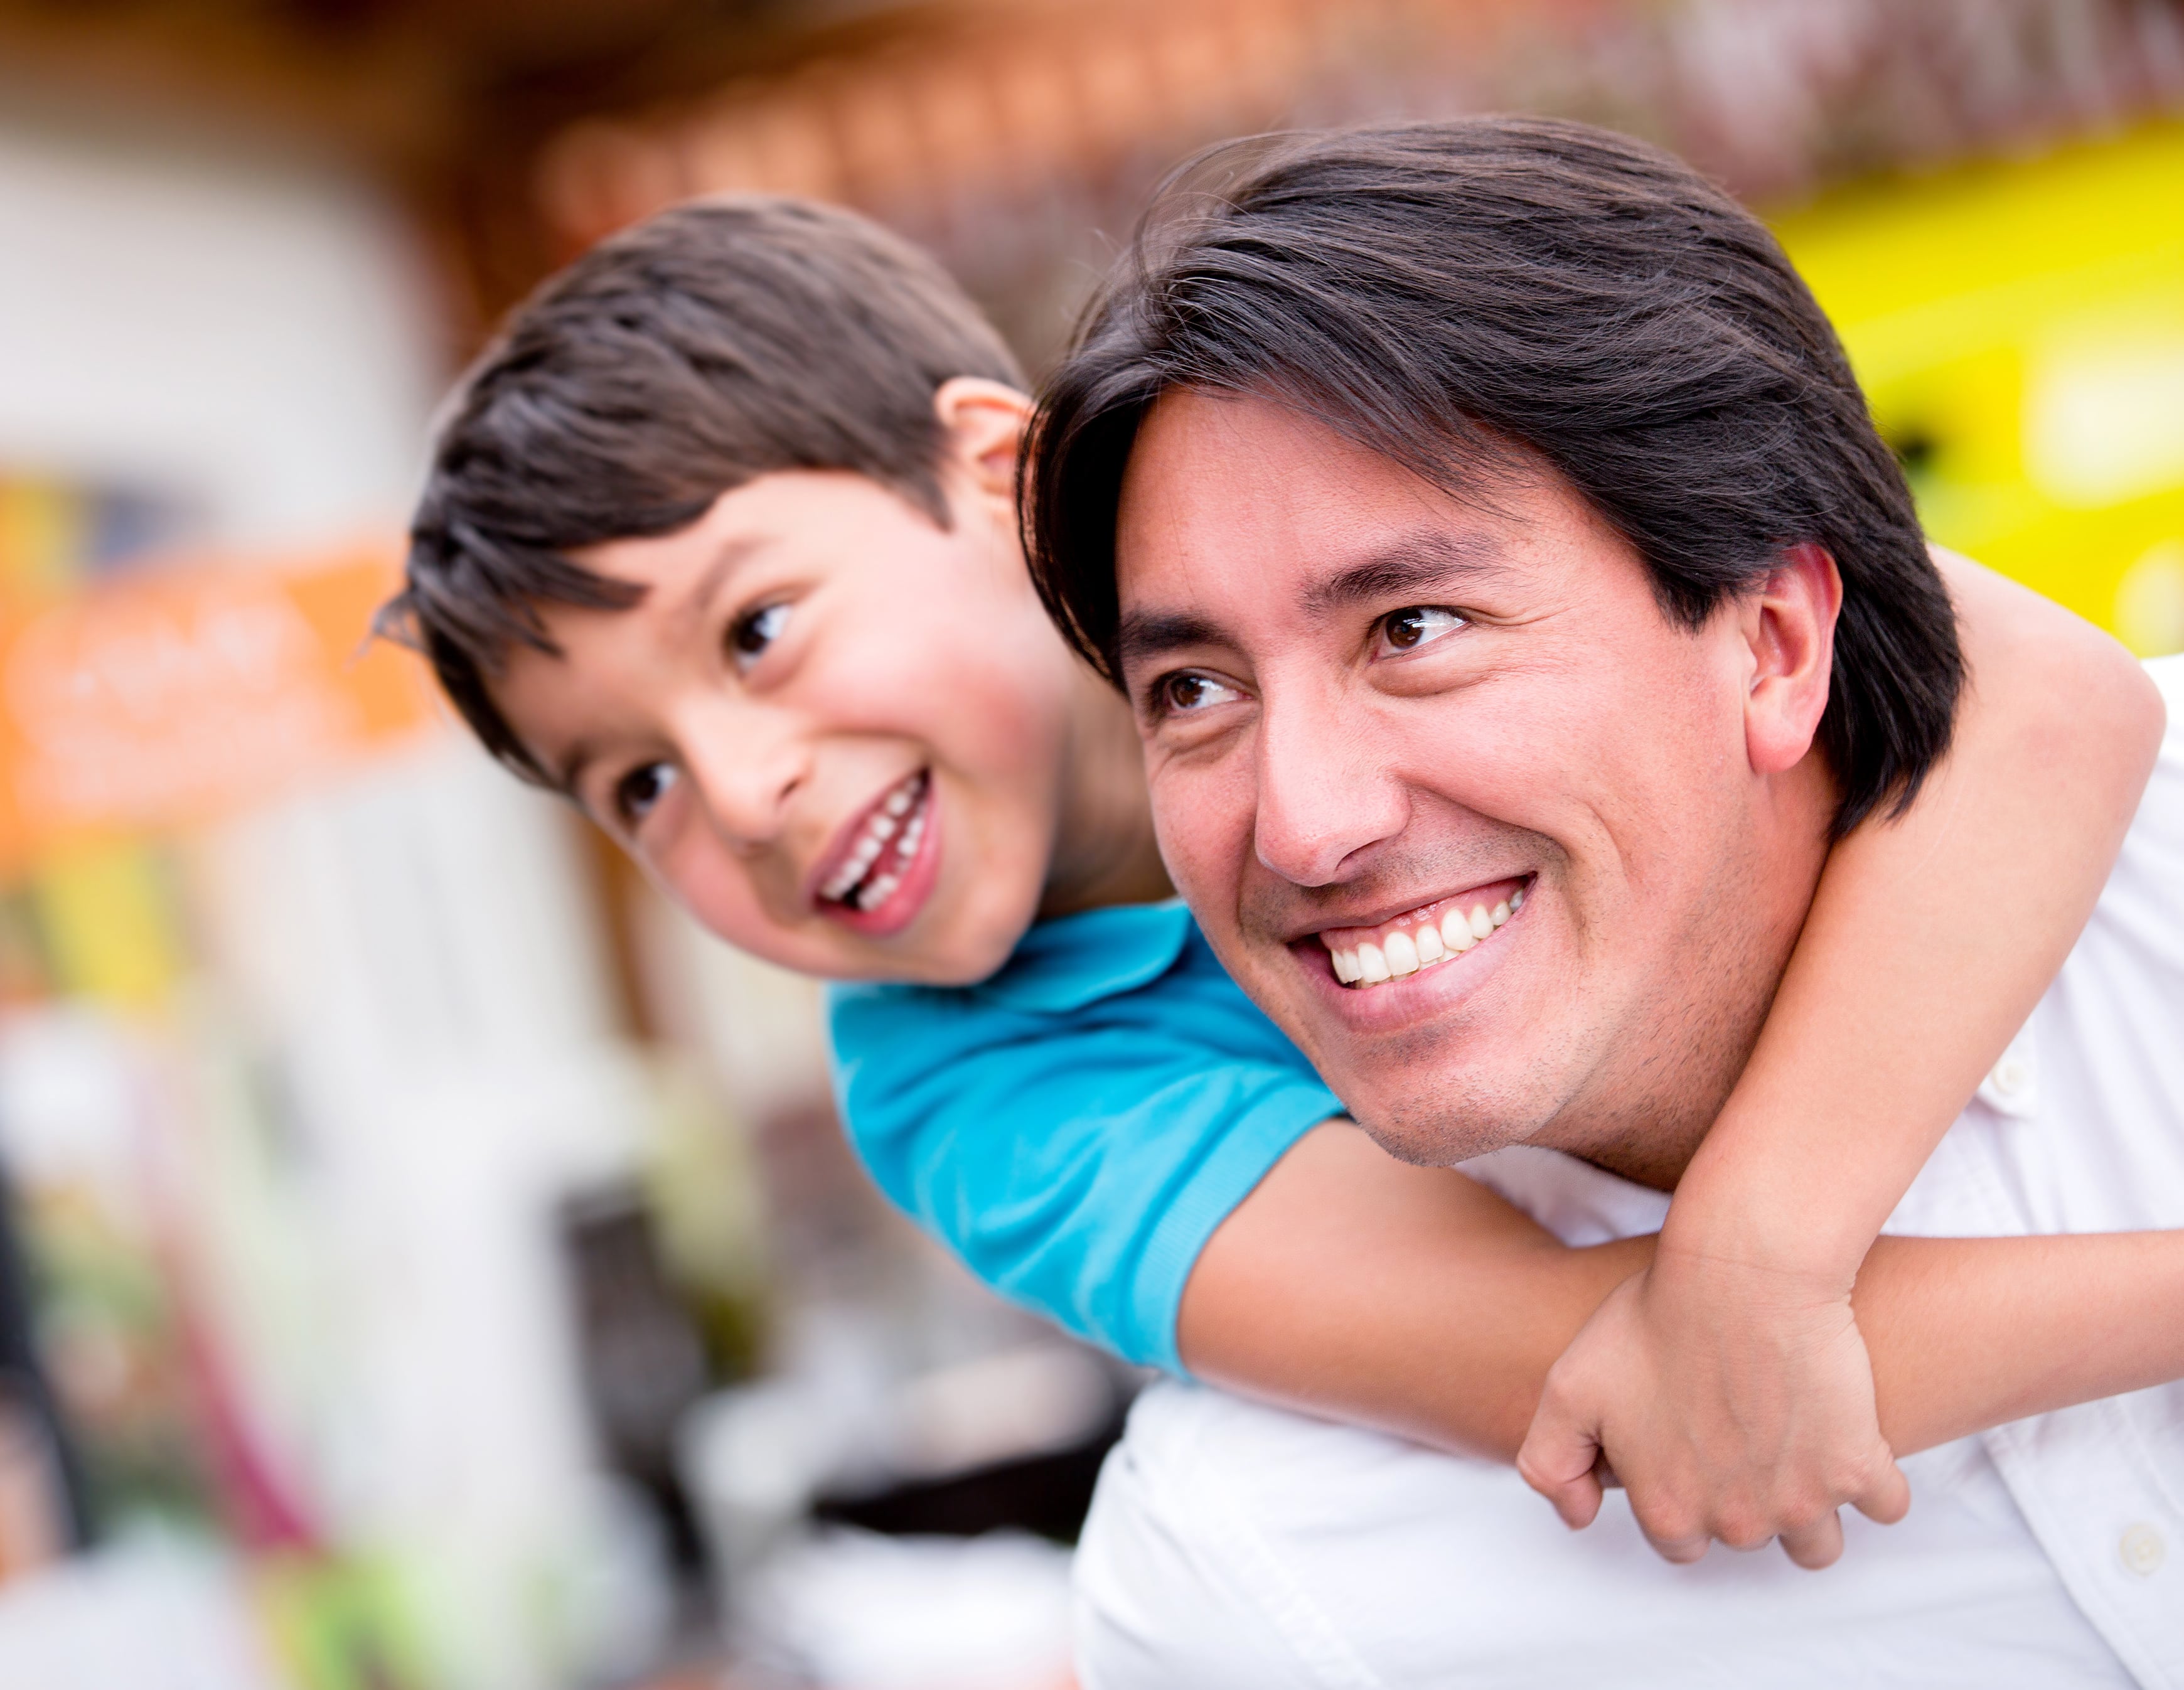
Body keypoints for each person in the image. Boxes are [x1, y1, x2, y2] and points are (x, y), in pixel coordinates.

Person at [381, 193, 2174, 1585]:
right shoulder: (975, 1083)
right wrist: (1754, 1293)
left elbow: (2032, 689)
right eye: (639, 783)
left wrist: (1765, 1236)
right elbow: (1627, 1371)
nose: (748, 787)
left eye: (757, 629)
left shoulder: (1279, 449)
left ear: (1002, 476)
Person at [1023, 117, 2184, 1683]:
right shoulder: (1261, 1579)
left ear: (1771, 644)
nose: (1301, 827)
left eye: (1415, 626)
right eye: (1198, 688)